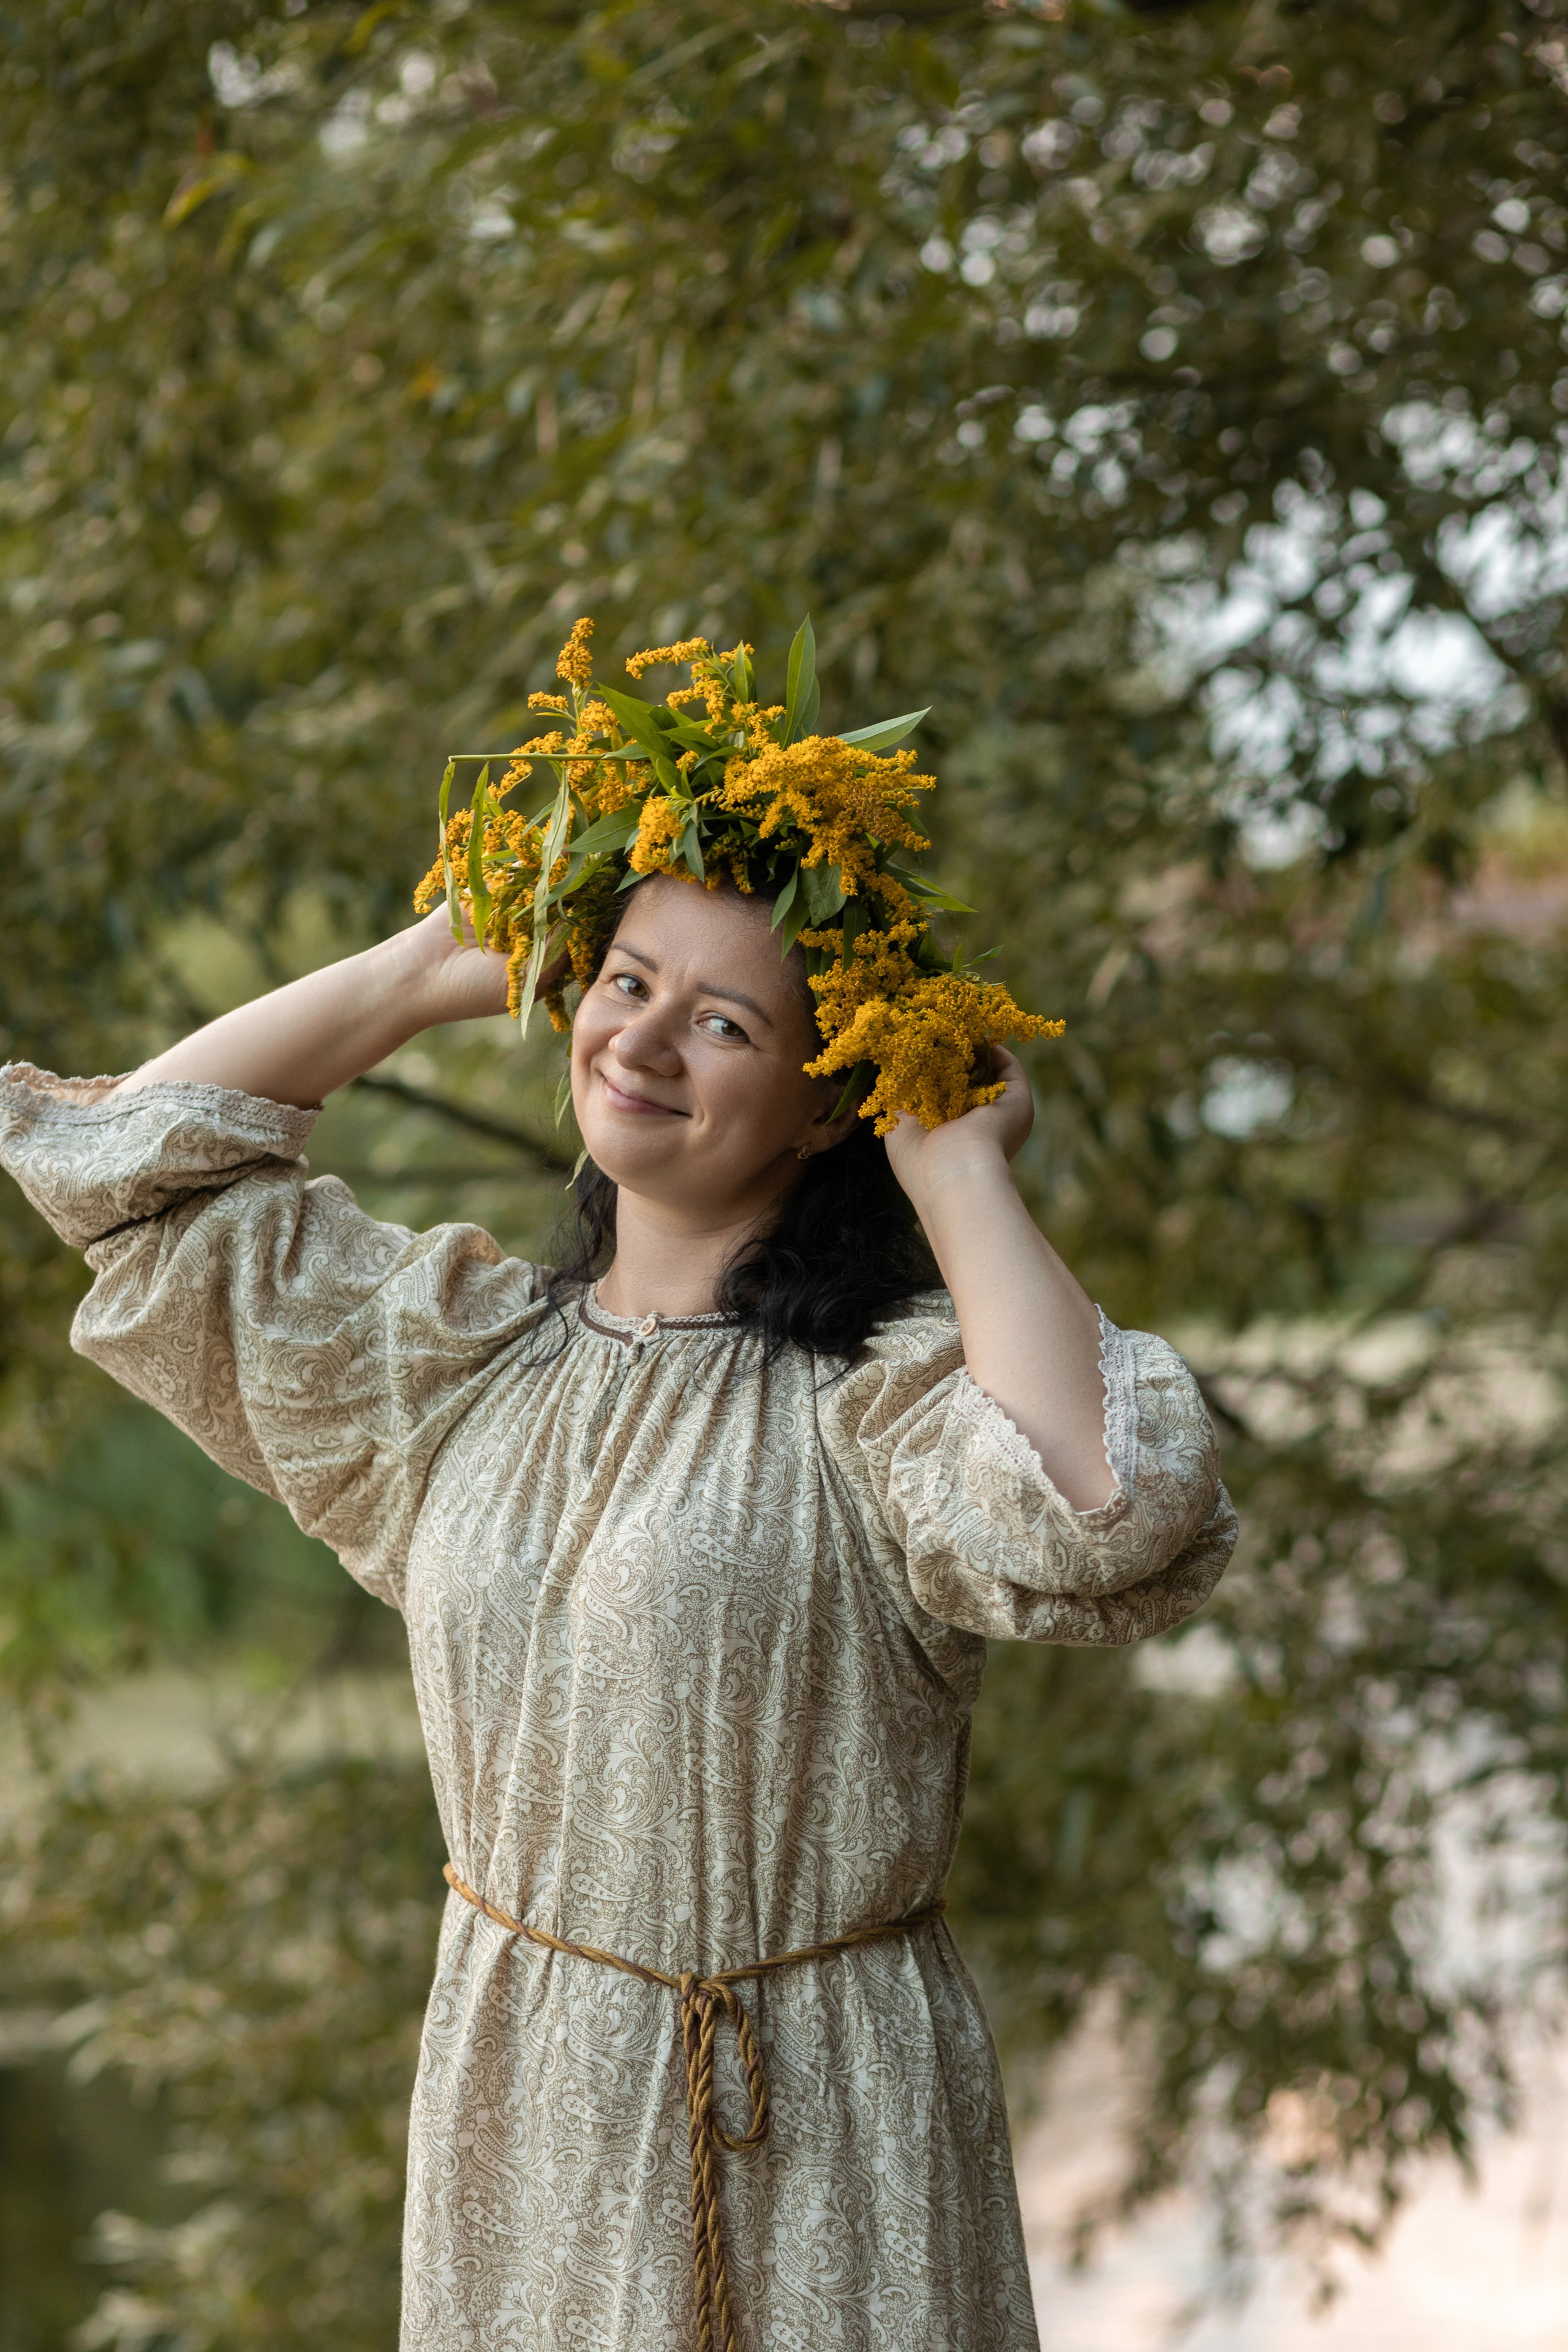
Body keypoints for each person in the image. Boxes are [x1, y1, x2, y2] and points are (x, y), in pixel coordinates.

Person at [0, 628, 1235, 2352]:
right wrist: (432, 963)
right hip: (531, 2121)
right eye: (626, 981)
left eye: (725, 1021)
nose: (646, 1040)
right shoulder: (453, 1373)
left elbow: (1112, 1508)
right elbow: (118, 1180)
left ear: (822, 1107)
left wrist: (954, 1165)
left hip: (835, 2118)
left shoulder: (878, 1402)